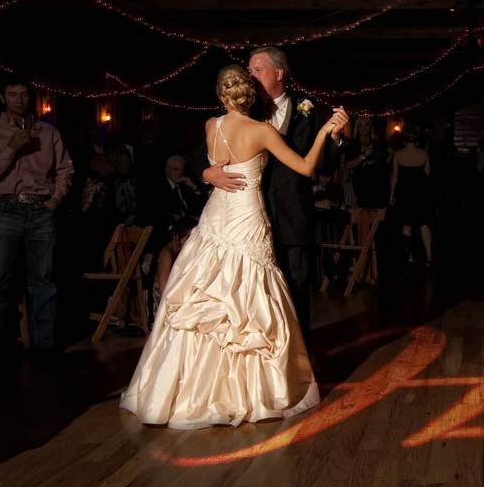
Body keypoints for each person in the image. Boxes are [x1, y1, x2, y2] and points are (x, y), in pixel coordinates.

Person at [120, 65, 347, 428]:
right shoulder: (262, 131)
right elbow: (305, 168)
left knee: (206, 294)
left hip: (216, 216)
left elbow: (214, 163)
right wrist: (322, 132)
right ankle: (248, 391)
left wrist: (210, 172)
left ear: (221, 98)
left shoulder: (212, 126)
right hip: (247, 216)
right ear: (250, 95)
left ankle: (186, 391)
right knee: (247, 298)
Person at [202, 47, 346, 348]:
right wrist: (208, 174)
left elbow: (322, 166)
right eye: (249, 71)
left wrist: (333, 137)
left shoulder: (308, 109)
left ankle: (299, 363)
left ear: (279, 73)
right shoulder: (243, 111)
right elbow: (206, 157)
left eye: (258, 70)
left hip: (292, 218)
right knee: (249, 298)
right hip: (247, 222)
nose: (250, 76)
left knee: (294, 293)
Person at [0, 78, 73, 350]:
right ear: (2, 98)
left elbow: (65, 169)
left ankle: (44, 347)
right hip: (5, 208)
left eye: (24, 95)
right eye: (12, 94)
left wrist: (54, 200)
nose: (18, 99)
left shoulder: (48, 132)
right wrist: (11, 148)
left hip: (40, 209)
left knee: (43, 282)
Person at [389, 127, 433, 265]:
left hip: (404, 193)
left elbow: (394, 177)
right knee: (423, 224)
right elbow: (427, 174)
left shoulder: (398, 154)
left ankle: (409, 257)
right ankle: (429, 256)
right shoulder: (424, 153)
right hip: (420, 193)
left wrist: (391, 195)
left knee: (406, 224)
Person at [153, 216, 198, 310]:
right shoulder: (167, 255)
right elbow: (164, 292)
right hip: (166, 304)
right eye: (186, 240)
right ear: (177, 238)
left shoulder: (193, 253)